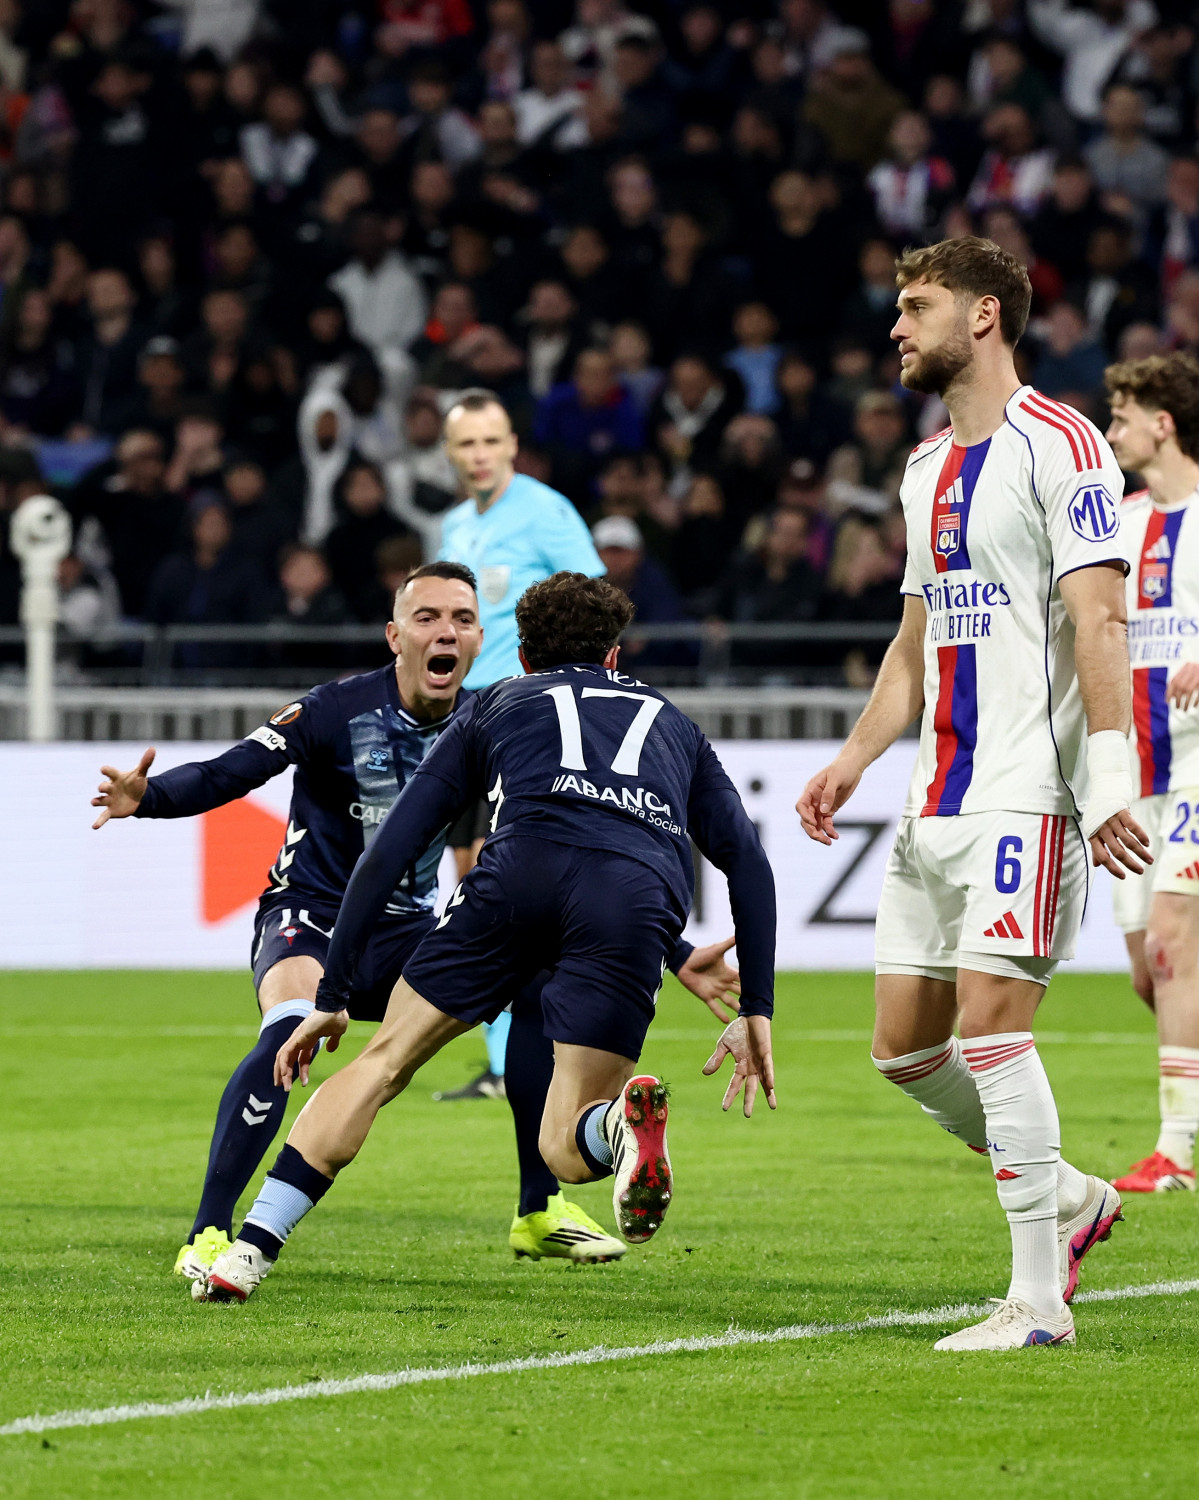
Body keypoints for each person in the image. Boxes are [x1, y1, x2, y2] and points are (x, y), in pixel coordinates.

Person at [200, 572, 777, 1303]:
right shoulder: (674, 724)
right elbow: (747, 863)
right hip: (634, 899)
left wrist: (334, 991)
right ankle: (615, 1132)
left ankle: (248, 1251)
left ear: (524, 655)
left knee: (382, 1064)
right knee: (566, 1149)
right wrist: (756, 1003)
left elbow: (389, 851)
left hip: (519, 875)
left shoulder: (498, 702)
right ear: (615, 655)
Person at [797, 236, 1149, 1352]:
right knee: (903, 1048)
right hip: (929, 797)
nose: (894, 328)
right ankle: (1075, 1195)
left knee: (995, 1035)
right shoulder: (919, 469)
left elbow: (1099, 619)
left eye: (915, 306)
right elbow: (911, 646)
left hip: (1025, 791)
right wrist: (853, 758)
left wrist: (1106, 781)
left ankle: (1036, 1303)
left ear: (983, 315)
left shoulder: (1065, 446)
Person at [91, 563, 485, 1290]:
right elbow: (229, 772)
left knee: (532, 988)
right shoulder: (335, 709)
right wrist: (148, 798)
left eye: (460, 618)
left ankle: (542, 1198)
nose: (445, 631)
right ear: (395, 636)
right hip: (310, 913)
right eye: (427, 617)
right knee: (291, 1026)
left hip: (405, 933)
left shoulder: (487, 720)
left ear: (478, 638)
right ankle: (208, 1229)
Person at [436, 386, 605, 1099]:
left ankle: (531, 1055)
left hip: (529, 718)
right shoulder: (451, 526)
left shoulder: (545, 510)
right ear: (450, 453)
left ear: (511, 445)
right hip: (466, 718)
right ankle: (505, 1062)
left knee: (509, 887)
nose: (478, 456)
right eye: (464, 444)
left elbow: (593, 598)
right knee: (471, 883)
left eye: (489, 442)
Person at [1104, 352, 1199, 1193]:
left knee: (1172, 945)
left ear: (1161, 421)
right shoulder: (1123, 526)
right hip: (1134, 773)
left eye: (1122, 415)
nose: (1111, 431)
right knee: (1147, 972)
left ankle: (1176, 1151)